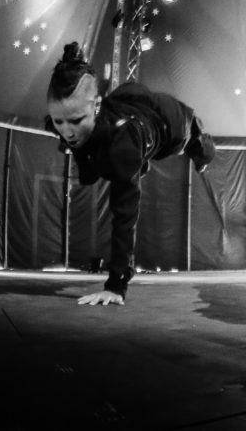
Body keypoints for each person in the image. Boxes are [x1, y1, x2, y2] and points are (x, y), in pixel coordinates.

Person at [46, 42, 215, 306]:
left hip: (173, 125)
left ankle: (201, 153)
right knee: (90, 157)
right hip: (130, 108)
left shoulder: (121, 146)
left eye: (76, 120)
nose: (67, 131)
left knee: (203, 151)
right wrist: (73, 136)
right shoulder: (68, 123)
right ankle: (135, 162)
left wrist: (116, 286)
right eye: (59, 121)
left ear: (96, 106)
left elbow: (124, 218)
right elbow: (70, 131)